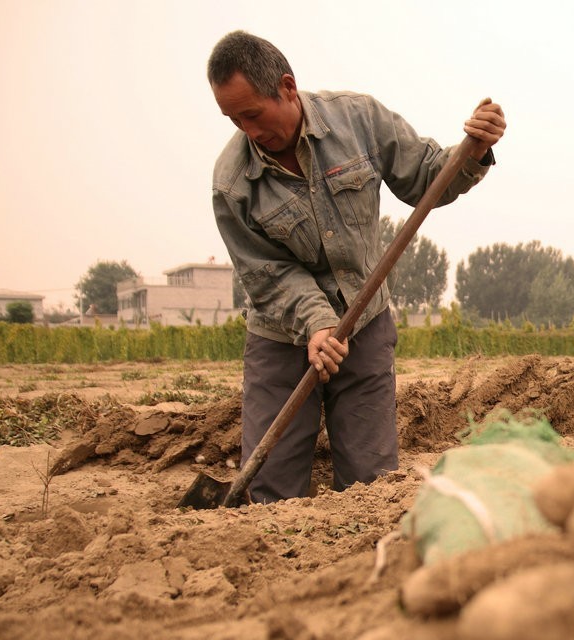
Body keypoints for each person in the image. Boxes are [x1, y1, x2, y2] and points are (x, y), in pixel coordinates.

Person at [207, 30, 505, 503]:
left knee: (372, 488)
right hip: (282, 340)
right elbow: (268, 276)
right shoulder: (232, 184)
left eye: (253, 114)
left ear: (287, 88)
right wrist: (318, 325)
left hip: (364, 325)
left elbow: (428, 176)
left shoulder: (359, 119)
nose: (248, 130)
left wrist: (471, 151)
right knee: (270, 493)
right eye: (233, 119)